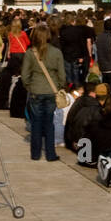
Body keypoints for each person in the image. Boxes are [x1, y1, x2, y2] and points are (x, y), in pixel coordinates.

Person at [21, 23, 65, 162]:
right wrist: (58, 87)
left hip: (36, 90)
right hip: (51, 91)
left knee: (36, 123)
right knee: (49, 123)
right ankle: (50, 154)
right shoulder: (56, 52)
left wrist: (29, 86)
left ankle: (35, 154)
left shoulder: (30, 53)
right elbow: (62, 75)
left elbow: (25, 75)